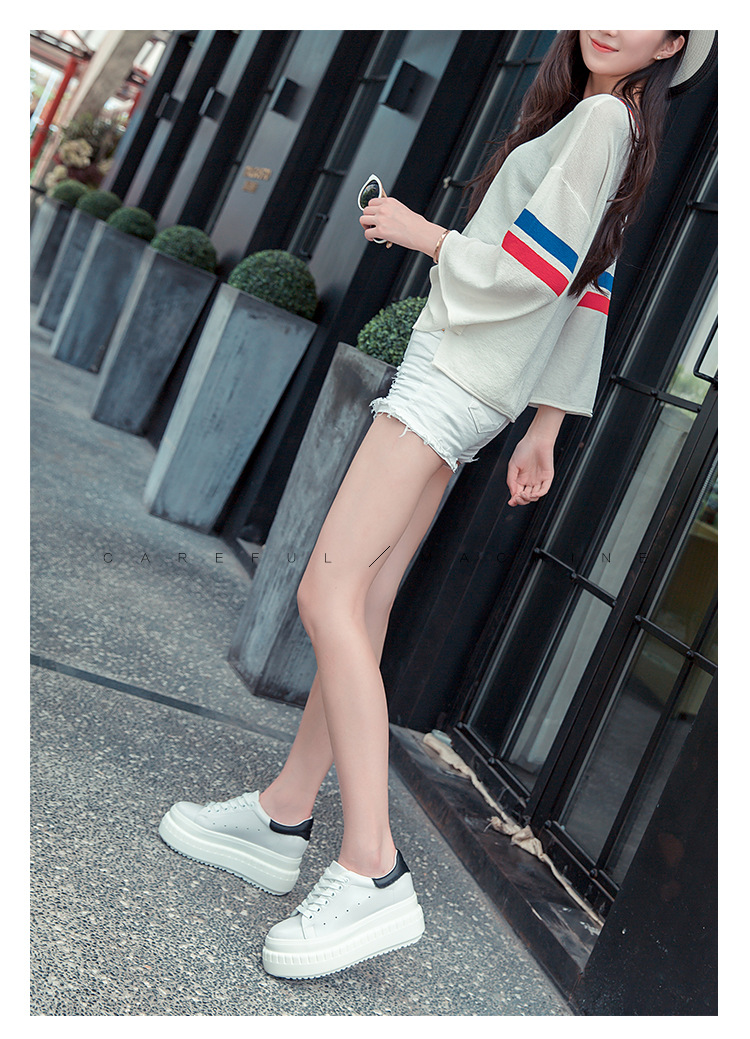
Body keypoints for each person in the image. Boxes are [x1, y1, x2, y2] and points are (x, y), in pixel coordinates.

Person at [159, 30, 713, 980]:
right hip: (475, 387)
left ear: (671, 43)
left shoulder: (597, 121)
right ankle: (284, 813)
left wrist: (425, 235)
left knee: (326, 593)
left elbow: (537, 274)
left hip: (449, 377)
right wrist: (543, 424)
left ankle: (371, 866)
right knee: (366, 601)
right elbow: (593, 286)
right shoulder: (618, 129)